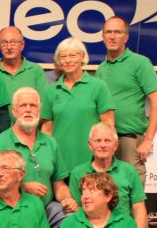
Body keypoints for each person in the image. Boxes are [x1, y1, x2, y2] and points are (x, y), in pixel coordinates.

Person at [0, 88, 78, 228]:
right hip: (12, 211)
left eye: (33, 106)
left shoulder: (50, 142)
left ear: (39, 111)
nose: (28, 110)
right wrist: (21, 187)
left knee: (74, 221)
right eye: (23, 106)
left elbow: (59, 184)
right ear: (14, 111)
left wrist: (66, 199)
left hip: (46, 209)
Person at [95, 16, 157, 183]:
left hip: (129, 140)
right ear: (103, 37)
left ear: (125, 37)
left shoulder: (140, 63)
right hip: (105, 141)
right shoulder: (101, 68)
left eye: (117, 32)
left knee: (131, 187)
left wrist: (148, 140)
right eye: (108, 32)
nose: (112, 36)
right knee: (104, 188)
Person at [42, 38, 115, 175]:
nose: (68, 60)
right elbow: (46, 129)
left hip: (91, 163)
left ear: (82, 57)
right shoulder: (50, 91)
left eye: (72, 55)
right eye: (63, 56)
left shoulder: (98, 87)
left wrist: (104, 157)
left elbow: (108, 125)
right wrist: (47, 156)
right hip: (60, 162)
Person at [69, 122, 147, 228]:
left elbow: (139, 209)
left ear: (116, 145)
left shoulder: (129, 171)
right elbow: (76, 210)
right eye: (98, 140)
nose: (102, 145)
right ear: (90, 145)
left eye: (107, 141)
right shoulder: (78, 173)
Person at [0, 26, 51, 129]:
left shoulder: (35, 71)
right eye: (4, 42)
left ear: (22, 45)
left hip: (30, 131)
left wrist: (26, 127)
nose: (9, 47)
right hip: (0, 134)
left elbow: (44, 105)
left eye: (13, 42)